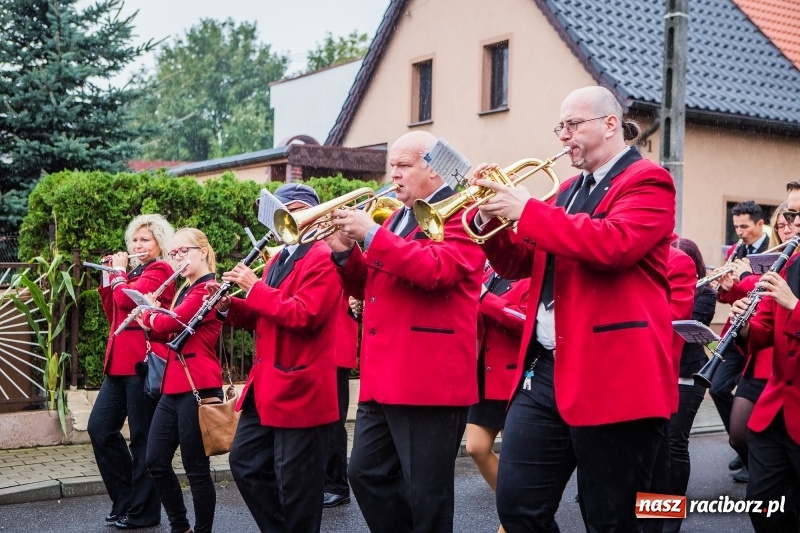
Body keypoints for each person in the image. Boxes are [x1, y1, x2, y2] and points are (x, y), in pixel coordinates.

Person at [470, 85, 677, 531]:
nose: (563, 136)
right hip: (544, 369)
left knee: (610, 515)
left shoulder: (648, 180)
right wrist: (490, 218)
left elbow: (613, 245)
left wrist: (527, 209)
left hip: (613, 371)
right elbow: (519, 263)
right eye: (560, 126)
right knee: (517, 504)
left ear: (610, 124)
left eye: (573, 124)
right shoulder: (566, 190)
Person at [326, 130, 485, 532]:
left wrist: (372, 235)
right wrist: (344, 251)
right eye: (391, 165)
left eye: (403, 165)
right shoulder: (398, 215)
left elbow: (437, 270)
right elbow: (371, 287)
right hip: (383, 375)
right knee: (365, 473)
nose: (393, 174)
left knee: (426, 494)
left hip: (427, 376)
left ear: (433, 169)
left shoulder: (461, 211)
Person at [216, 183, 345, 533]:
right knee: (245, 463)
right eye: (280, 212)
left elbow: (305, 315)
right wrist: (229, 306)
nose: (285, 219)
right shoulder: (279, 256)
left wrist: (254, 287)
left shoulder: (323, 256)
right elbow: (265, 315)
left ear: (314, 215)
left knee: (297, 485)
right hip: (268, 385)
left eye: (294, 211)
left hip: (299, 386)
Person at [88, 213, 175, 529]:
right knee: (100, 429)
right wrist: (109, 277)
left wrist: (120, 274)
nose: (138, 245)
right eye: (134, 240)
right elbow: (113, 308)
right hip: (118, 364)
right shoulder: (135, 272)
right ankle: (125, 500)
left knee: (141, 439)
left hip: (142, 362)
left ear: (159, 243)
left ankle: (144, 512)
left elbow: (128, 301)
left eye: (145, 240)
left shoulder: (161, 270)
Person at [139, 228, 223, 533]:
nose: (178, 258)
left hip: (198, 384)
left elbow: (171, 323)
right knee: (155, 461)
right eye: (173, 253)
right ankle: (180, 526)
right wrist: (154, 315)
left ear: (203, 251)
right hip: (174, 384)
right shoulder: (185, 290)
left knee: (196, 468)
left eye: (183, 251)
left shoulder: (208, 289)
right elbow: (168, 330)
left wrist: (150, 315)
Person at [728, 181, 800, 531]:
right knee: (764, 506)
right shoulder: (790, 263)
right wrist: (744, 325)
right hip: (775, 410)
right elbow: (764, 330)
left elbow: (790, 310)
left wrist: (795, 306)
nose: (792, 222)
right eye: (791, 213)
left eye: (798, 214)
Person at [717, 200, 798, 484]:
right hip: (770, 367)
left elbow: (769, 293)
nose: (791, 226)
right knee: (740, 434)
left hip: (782, 369)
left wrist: (746, 279)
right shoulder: (784, 261)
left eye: (795, 218)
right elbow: (765, 310)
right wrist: (733, 297)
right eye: (784, 223)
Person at [465, 263, 529, 524]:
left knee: (516, 463)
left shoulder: (531, 274)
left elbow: (526, 322)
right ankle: (519, 513)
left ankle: (514, 519)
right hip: (483, 373)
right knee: (476, 448)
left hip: (513, 378)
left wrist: (484, 299)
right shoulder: (489, 273)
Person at [711, 201, 770, 474]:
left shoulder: (774, 248)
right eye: (736, 227)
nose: (740, 233)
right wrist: (725, 287)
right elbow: (734, 297)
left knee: (757, 398)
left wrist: (743, 279)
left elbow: (763, 295)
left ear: (760, 224)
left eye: (744, 226)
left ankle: (752, 450)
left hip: (764, 333)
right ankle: (742, 446)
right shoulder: (737, 250)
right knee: (717, 388)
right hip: (739, 330)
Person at [663, 238, 715, 533]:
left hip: (687, 375)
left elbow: (687, 325)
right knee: (657, 446)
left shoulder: (705, 293)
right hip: (661, 373)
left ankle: (672, 515)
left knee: (675, 443)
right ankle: (653, 508)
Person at [323, 296, 359, 508]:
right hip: (322, 349)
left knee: (333, 424)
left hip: (334, 349)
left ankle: (336, 486)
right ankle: (326, 482)